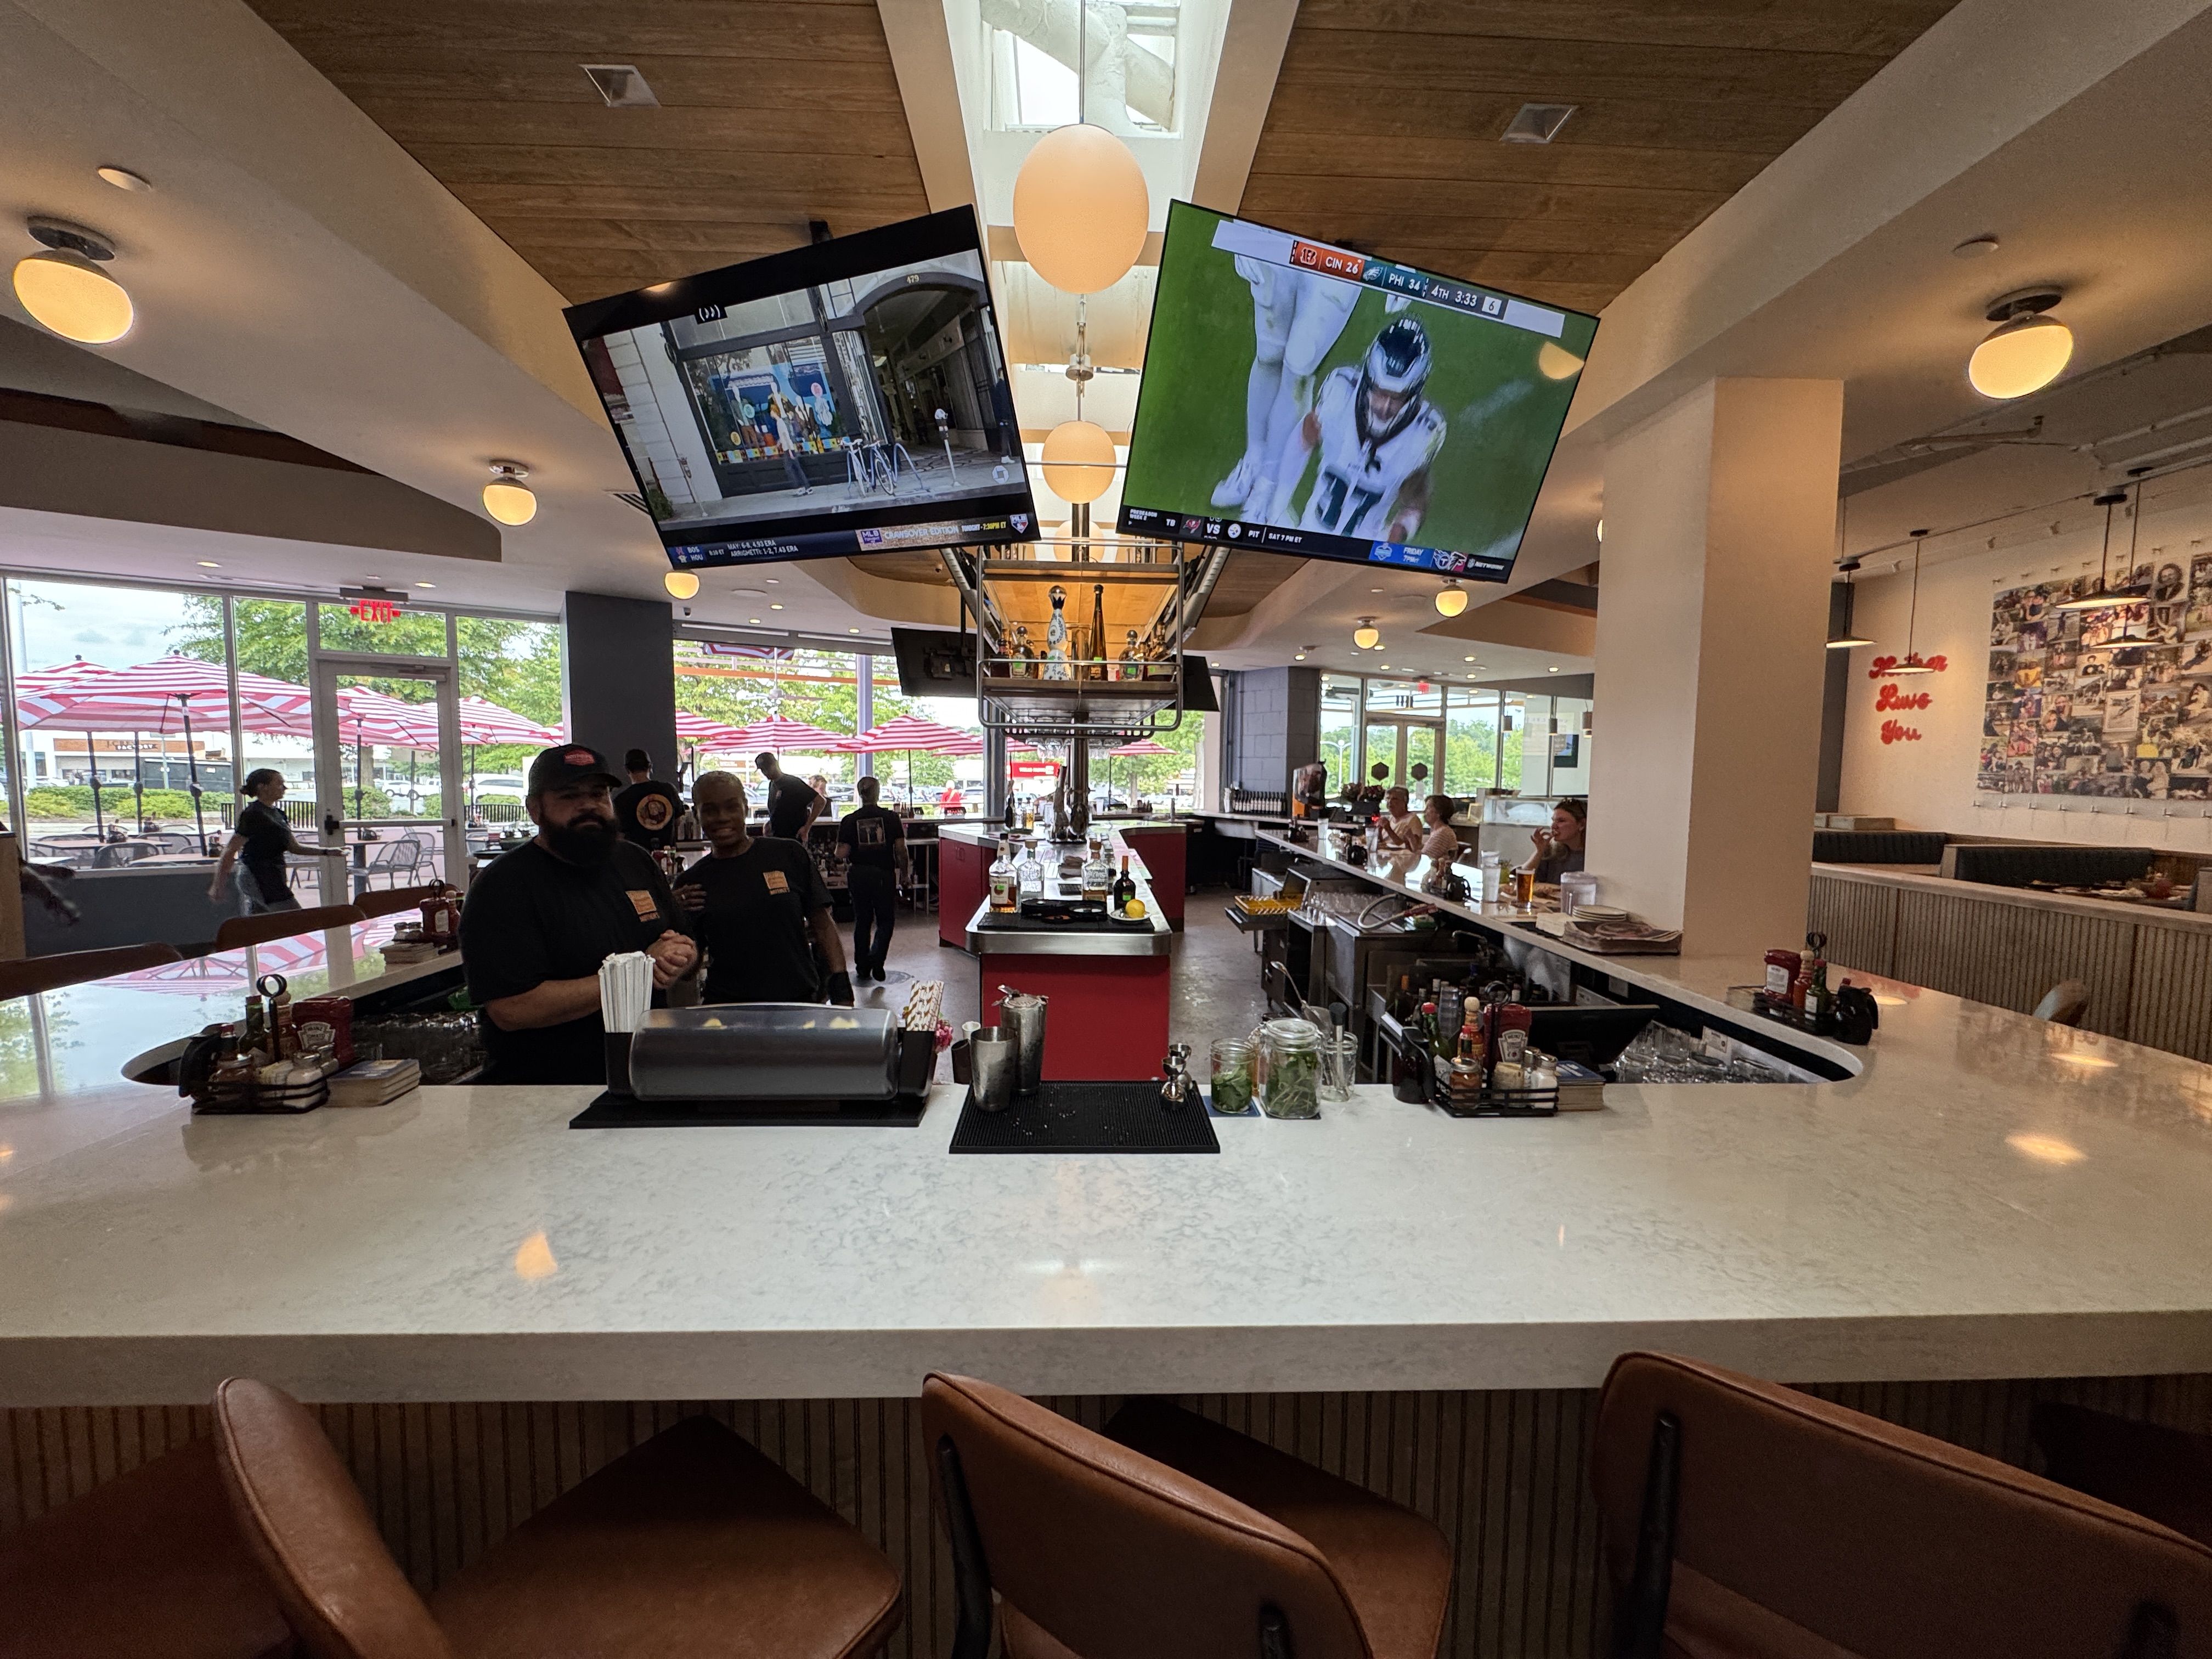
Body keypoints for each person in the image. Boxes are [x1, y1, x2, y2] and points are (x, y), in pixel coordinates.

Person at [458, 744, 698, 1085]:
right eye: (569, 796)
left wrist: (681, 958)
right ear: (535, 810)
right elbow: (511, 1010)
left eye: (599, 794)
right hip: (544, 1093)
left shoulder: (636, 862)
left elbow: (684, 944)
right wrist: (638, 971)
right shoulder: (503, 886)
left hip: (644, 1075)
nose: (588, 806)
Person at [675, 772, 853, 1007]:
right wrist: (675, 917)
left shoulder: (789, 855)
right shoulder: (692, 883)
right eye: (709, 810)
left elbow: (822, 924)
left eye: (731, 807)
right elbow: (690, 966)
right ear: (696, 815)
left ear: (745, 807)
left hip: (798, 1001)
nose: (722, 817)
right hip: (728, 1007)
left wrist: (842, 991)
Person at [207, 769, 347, 914]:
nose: (284, 788)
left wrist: (327, 851)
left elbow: (294, 847)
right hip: (259, 876)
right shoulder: (253, 814)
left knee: (263, 925)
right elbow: (231, 849)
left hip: (273, 875)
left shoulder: (278, 814)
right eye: (279, 784)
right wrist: (218, 885)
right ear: (263, 787)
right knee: (295, 920)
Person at [837, 775, 910, 984]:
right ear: (878, 793)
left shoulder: (849, 820)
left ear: (860, 794)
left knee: (862, 920)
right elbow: (901, 850)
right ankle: (877, 959)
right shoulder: (891, 818)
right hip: (883, 874)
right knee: (886, 920)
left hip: (858, 874)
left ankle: (862, 967)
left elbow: (841, 853)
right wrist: (904, 875)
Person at [612, 748, 683, 853]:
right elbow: (678, 821)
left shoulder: (622, 800)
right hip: (668, 856)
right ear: (650, 767)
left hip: (638, 859)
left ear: (627, 770)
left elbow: (619, 836)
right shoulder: (669, 790)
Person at [757, 752, 822, 840]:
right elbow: (780, 810)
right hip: (777, 837)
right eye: (763, 769)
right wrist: (770, 823)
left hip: (793, 837)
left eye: (768, 768)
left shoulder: (793, 783)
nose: (766, 772)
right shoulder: (772, 784)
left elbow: (820, 801)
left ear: (776, 763)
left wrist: (807, 828)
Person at [1521, 798, 1588, 884]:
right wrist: (1539, 852)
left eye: (1561, 821)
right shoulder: (1551, 850)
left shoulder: (1592, 856)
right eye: (1553, 821)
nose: (1553, 826)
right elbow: (1523, 879)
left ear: (1582, 824)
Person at [1376, 786, 1423, 853]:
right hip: (1388, 859)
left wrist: (1389, 830)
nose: (1390, 802)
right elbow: (1383, 844)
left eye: (1394, 799)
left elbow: (1410, 848)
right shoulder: (1390, 818)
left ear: (1405, 801)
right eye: (1388, 799)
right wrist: (1379, 832)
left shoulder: (1413, 820)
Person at [1420, 793, 1462, 864]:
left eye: (1428, 808)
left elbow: (1424, 859)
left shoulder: (1443, 833)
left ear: (1439, 813)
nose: (1425, 812)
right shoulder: (1439, 831)